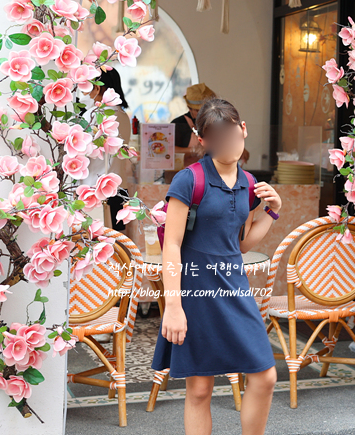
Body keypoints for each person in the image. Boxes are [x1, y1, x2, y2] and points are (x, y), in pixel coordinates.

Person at [152, 98, 281, 435]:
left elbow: (238, 244)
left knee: (265, 376)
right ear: (204, 141)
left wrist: (271, 211)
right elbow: (172, 246)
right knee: (199, 389)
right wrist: (174, 308)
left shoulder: (250, 184)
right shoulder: (187, 181)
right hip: (195, 290)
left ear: (243, 130)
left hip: (234, 286)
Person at [82, 67, 133, 230]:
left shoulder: (92, 115)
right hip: (119, 189)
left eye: (88, 88)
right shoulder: (124, 116)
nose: (86, 94)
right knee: (118, 246)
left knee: (95, 246)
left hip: (94, 192)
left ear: (97, 87)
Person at [172, 83, 217, 166]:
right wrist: (194, 150)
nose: (203, 114)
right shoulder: (179, 125)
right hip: (187, 176)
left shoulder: (217, 122)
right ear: (190, 109)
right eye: (198, 111)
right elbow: (168, 151)